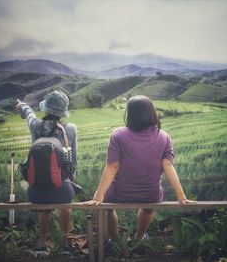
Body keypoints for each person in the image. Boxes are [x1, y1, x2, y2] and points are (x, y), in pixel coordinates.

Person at [85, 95, 195, 242]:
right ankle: (140, 236)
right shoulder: (164, 137)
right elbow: (168, 166)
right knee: (149, 208)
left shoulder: (118, 134)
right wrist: (181, 195)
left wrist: (98, 196)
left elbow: (113, 165)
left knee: (106, 208)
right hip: (150, 194)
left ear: (130, 114)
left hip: (120, 193)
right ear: (152, 113)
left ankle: (115, 240)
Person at [16, 90, 77, 250]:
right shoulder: (70, 129)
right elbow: (73, 161)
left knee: (43, 207)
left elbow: (28, 113)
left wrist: (22, 105)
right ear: (63, 112)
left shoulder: (35, 125)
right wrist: (70, 182)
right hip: (62, 188)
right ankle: (64, 240)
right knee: (66, 204)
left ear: (46, 109)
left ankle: (42, 240)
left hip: (37, 189)